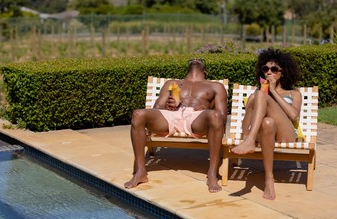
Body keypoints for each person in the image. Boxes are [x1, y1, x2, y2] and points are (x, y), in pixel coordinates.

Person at [124, 58, 228, 193]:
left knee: (215, 116)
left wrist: (207, 110)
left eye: (199, 59)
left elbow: (222, 116)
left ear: (205, 71)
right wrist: (168, 105)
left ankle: (212, 174)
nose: (195, 59)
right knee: (138, 114)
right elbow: (157, 108)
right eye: (193, 59)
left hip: (196, 117)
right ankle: (140, 171)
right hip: (171, 116)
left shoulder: (215, 86)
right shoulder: (173, 84)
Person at [231, 48, 302, 200]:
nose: (269, 72)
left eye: (274, 69)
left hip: (285, 133)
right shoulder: (256, 95)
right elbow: (245, 128)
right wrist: (253, 102)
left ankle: (249, 143)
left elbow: (294, 115)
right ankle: (269, 179)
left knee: (262, 97)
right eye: (266, 69)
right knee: (267, 121)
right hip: (263, 133)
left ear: (283, 72)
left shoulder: (293, 93)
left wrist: (273, 92)